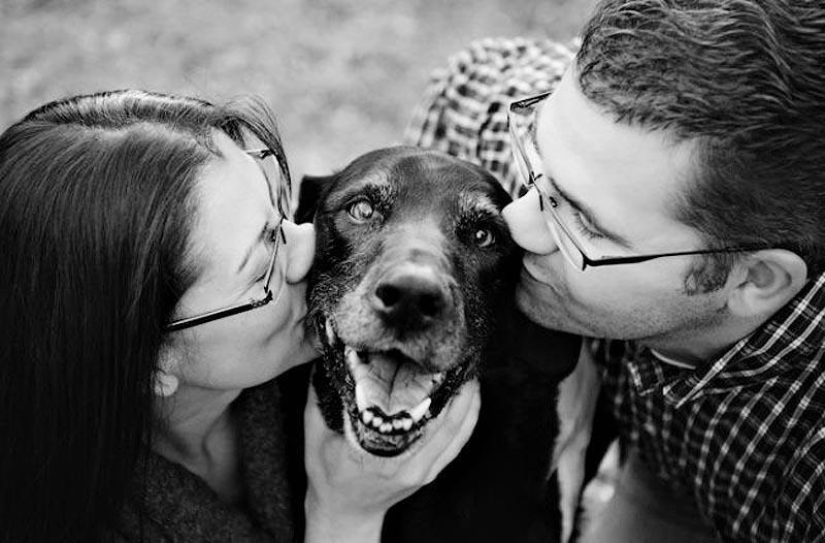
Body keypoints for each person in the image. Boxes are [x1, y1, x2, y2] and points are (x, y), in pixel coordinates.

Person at [405, 1, 825, 541]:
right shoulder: (510, 125)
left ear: (755, 280)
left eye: (583, 224)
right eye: (537, 151)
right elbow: (469, 81)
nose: (517, 223)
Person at [0, 89, 480, 543]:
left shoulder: (345, 370)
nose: (310, 246)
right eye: (264, 259)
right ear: (149, 356)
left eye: (279, 216)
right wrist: (347, 515)